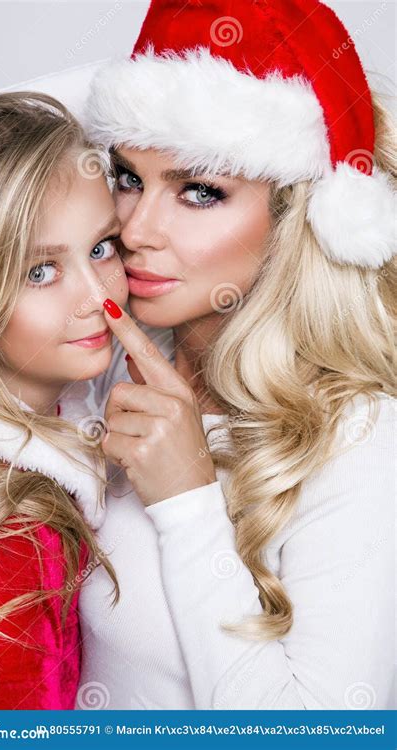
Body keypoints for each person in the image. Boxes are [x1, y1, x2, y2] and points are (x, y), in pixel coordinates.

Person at [70, 0, 396, 709]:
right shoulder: (99, 358)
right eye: (127, 177)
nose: (135, 228)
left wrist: (188, 502)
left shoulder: (358, 436)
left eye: (198, 190)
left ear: (297, 214)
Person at [0, 91, 128, 709]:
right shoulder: (2, 538)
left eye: (101, 247)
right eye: (40, 271)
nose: (96, 295)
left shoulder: (63, 411)